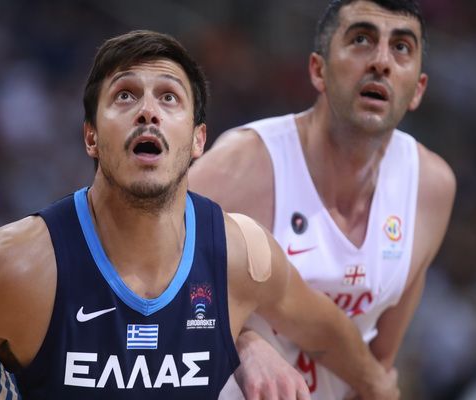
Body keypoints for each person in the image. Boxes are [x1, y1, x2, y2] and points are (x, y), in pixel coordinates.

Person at [0, 30, 398, 400]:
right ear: (91, 137)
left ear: (197, 140)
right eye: (125, 96)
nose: (148, 110)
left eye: (169, 98)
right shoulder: (15, 268)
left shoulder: (241, 257)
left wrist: (377, 384)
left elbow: (328, 333)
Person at [189, 0, 456, 399]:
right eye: (361, 40)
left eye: (401, 47)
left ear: (417, 89)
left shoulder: (431, 186)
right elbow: (143, 277)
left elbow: (378, 366)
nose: (381, 62)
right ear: (318, 70)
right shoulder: (243, 164)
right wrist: (242, 345)